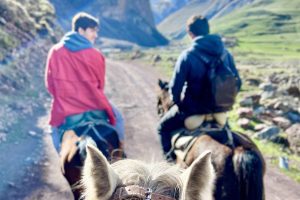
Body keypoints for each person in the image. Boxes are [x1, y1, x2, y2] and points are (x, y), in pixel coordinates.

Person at [158, 15, 242, 160]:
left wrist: (181, 106)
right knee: (230, 136)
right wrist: (223, 103)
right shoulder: (226, 54)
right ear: (208, 31)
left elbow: (175, 90)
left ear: (190, 34)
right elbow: (238, 82)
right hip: (219, 112)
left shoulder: (187, 56)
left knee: (162, 128)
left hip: (193, 111)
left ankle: (169, 166)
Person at [45, 12, 125, 156]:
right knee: (118, 119)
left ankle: (62, 158)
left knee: (54, 129)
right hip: (95, 104)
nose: (95, 35)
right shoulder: (96, 54)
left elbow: (50, 85)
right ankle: (120, 155)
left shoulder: (55, 51)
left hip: (66, 106)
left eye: (96, 31)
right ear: (80, 30)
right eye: (92, 30)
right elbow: (100, 85)